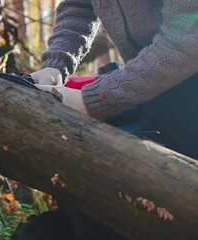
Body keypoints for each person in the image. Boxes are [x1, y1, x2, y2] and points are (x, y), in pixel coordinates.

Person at [30, 0, 198, 159]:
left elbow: (186, 42)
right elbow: (79, 7)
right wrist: (55, 64)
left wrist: (93, 99)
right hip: (152, 89)